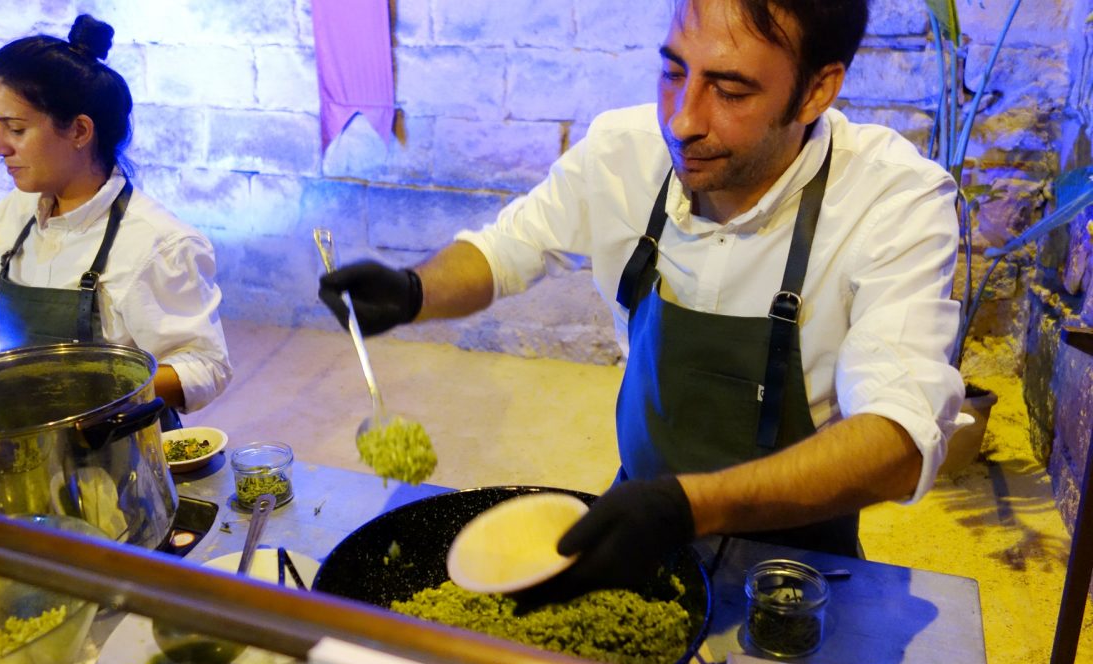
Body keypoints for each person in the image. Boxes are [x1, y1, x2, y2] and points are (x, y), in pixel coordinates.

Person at [319, 0, 965, 593]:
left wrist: (691, 506)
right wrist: (412, 290)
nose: (682, 120)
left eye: (731, 88)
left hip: (797, 552)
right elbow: (508, 248)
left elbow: (899, 440)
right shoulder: (622, 151)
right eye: (672, 71)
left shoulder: (894, 200)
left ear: (816, 90)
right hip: (641, 512)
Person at [0, 15, 231, 428]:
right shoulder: (18, 214)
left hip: (119, 455)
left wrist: (81, 389)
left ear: (79, 131)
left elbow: (204, 366)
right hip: (29, 443)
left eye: (14, 128)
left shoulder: (158, 243)